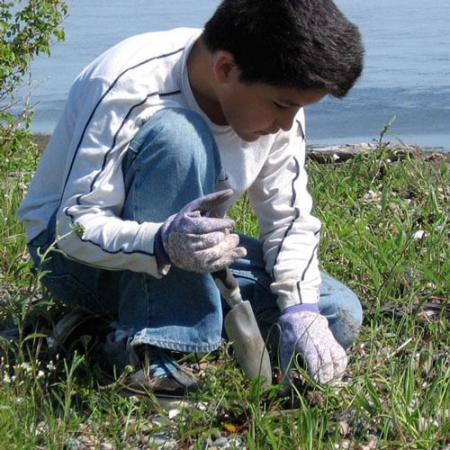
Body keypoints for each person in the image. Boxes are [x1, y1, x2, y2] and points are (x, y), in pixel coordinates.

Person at [18, 0, 364, 397]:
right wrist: (162, 243)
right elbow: (73, 228)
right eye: (283, 105)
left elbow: (288, 219)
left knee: (337, 311)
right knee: (179, 137)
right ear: (225, 69)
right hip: (71, 258)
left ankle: (102, 333)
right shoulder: (129, 83)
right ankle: (153, 353)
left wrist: (301, 311)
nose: (288, 123)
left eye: (298, 108)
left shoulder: (278, 98)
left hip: (188, 252)